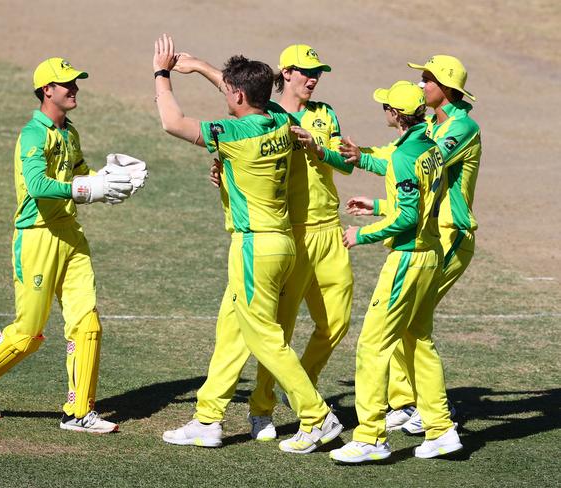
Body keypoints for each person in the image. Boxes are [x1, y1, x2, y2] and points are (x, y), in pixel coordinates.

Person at [152, 34, 342, 454]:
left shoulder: (234, 132)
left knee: (265, 338)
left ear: (237, 95)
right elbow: (241, 89)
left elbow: (172, 123)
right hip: (281, 245)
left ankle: (316, 415)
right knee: (232, 331)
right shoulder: (278, 119)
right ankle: (208, 418)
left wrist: (162, 75)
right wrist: (200, 65)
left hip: (254, 247)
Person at [0, 57, 146, 433]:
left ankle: (78, 411)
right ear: (47, 91)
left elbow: (77, 174)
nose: (74, 89)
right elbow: (39, 186)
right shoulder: (32, 134)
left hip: (70, 234)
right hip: (36, 237)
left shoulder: (69, 133)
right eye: (66, 84)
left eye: (75, 83)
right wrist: (86, 188)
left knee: (87, 323)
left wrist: (108, 181)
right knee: (28, 333)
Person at [342, 56, 481, 435]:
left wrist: (369, 162)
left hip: (449, 234)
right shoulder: (434, 124)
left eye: (426, 79)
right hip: (430, 229)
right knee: (409, 325)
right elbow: (407, 162)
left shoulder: (461, 127)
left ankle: (427, 408)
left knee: (410, 326)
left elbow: (420, 164)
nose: (420, 86)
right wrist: (364, 159)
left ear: (446, 87)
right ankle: (411, 404)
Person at [329, 81, 462, 463]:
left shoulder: (406, 155)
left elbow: (408, 216)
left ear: (396, 115)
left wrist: (362, 234)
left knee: (372, 345)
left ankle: (370, 437)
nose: (383, 109)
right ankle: (441, 429)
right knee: (419, 342)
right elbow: (417, 200)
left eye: (386, 105)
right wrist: (376, 205)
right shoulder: (429, 148)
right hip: (430, 256)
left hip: (406, 260)